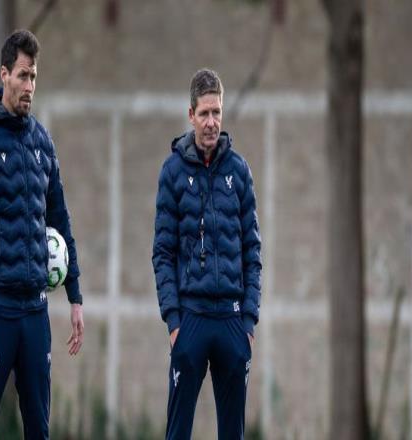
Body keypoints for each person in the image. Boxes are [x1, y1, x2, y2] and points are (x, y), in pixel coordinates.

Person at [0, 29, 84, 440]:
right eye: (23, 75)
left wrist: (75, 296)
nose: (29, 86)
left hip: (35, 314)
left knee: (39, 431)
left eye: (34, 77)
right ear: (4, 75)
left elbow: (60, 220)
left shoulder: (42, 142)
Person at [152, 68, 262, 439]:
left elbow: (252, 251)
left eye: (217, 112)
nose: (212, 122)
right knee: (177, 432)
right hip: (191, 320)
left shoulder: (239, 171)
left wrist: (248, 323)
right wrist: (174, 322)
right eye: (204, 113)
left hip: (232, 321)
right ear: (191, 115)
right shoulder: (172, 172)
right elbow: (162, 253)